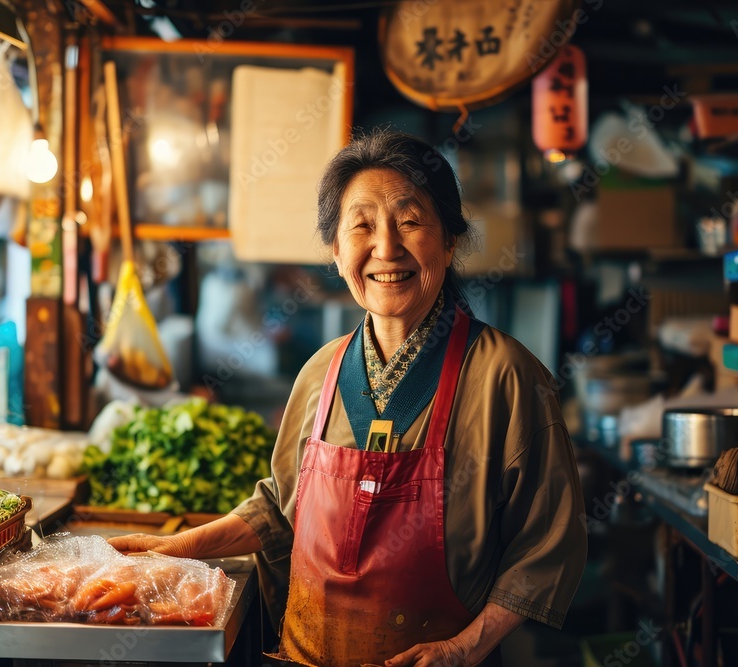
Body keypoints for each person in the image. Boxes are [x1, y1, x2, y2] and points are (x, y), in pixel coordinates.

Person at [110, 129, 587, 667]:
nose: (386, 248)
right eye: (361, 225)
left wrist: (463, 649)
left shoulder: (508, 376)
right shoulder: (321, 372)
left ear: (450, 242)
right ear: (336, 252)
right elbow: (279, 508)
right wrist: (177, 547)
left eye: (410, 221)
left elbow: (548, 546)